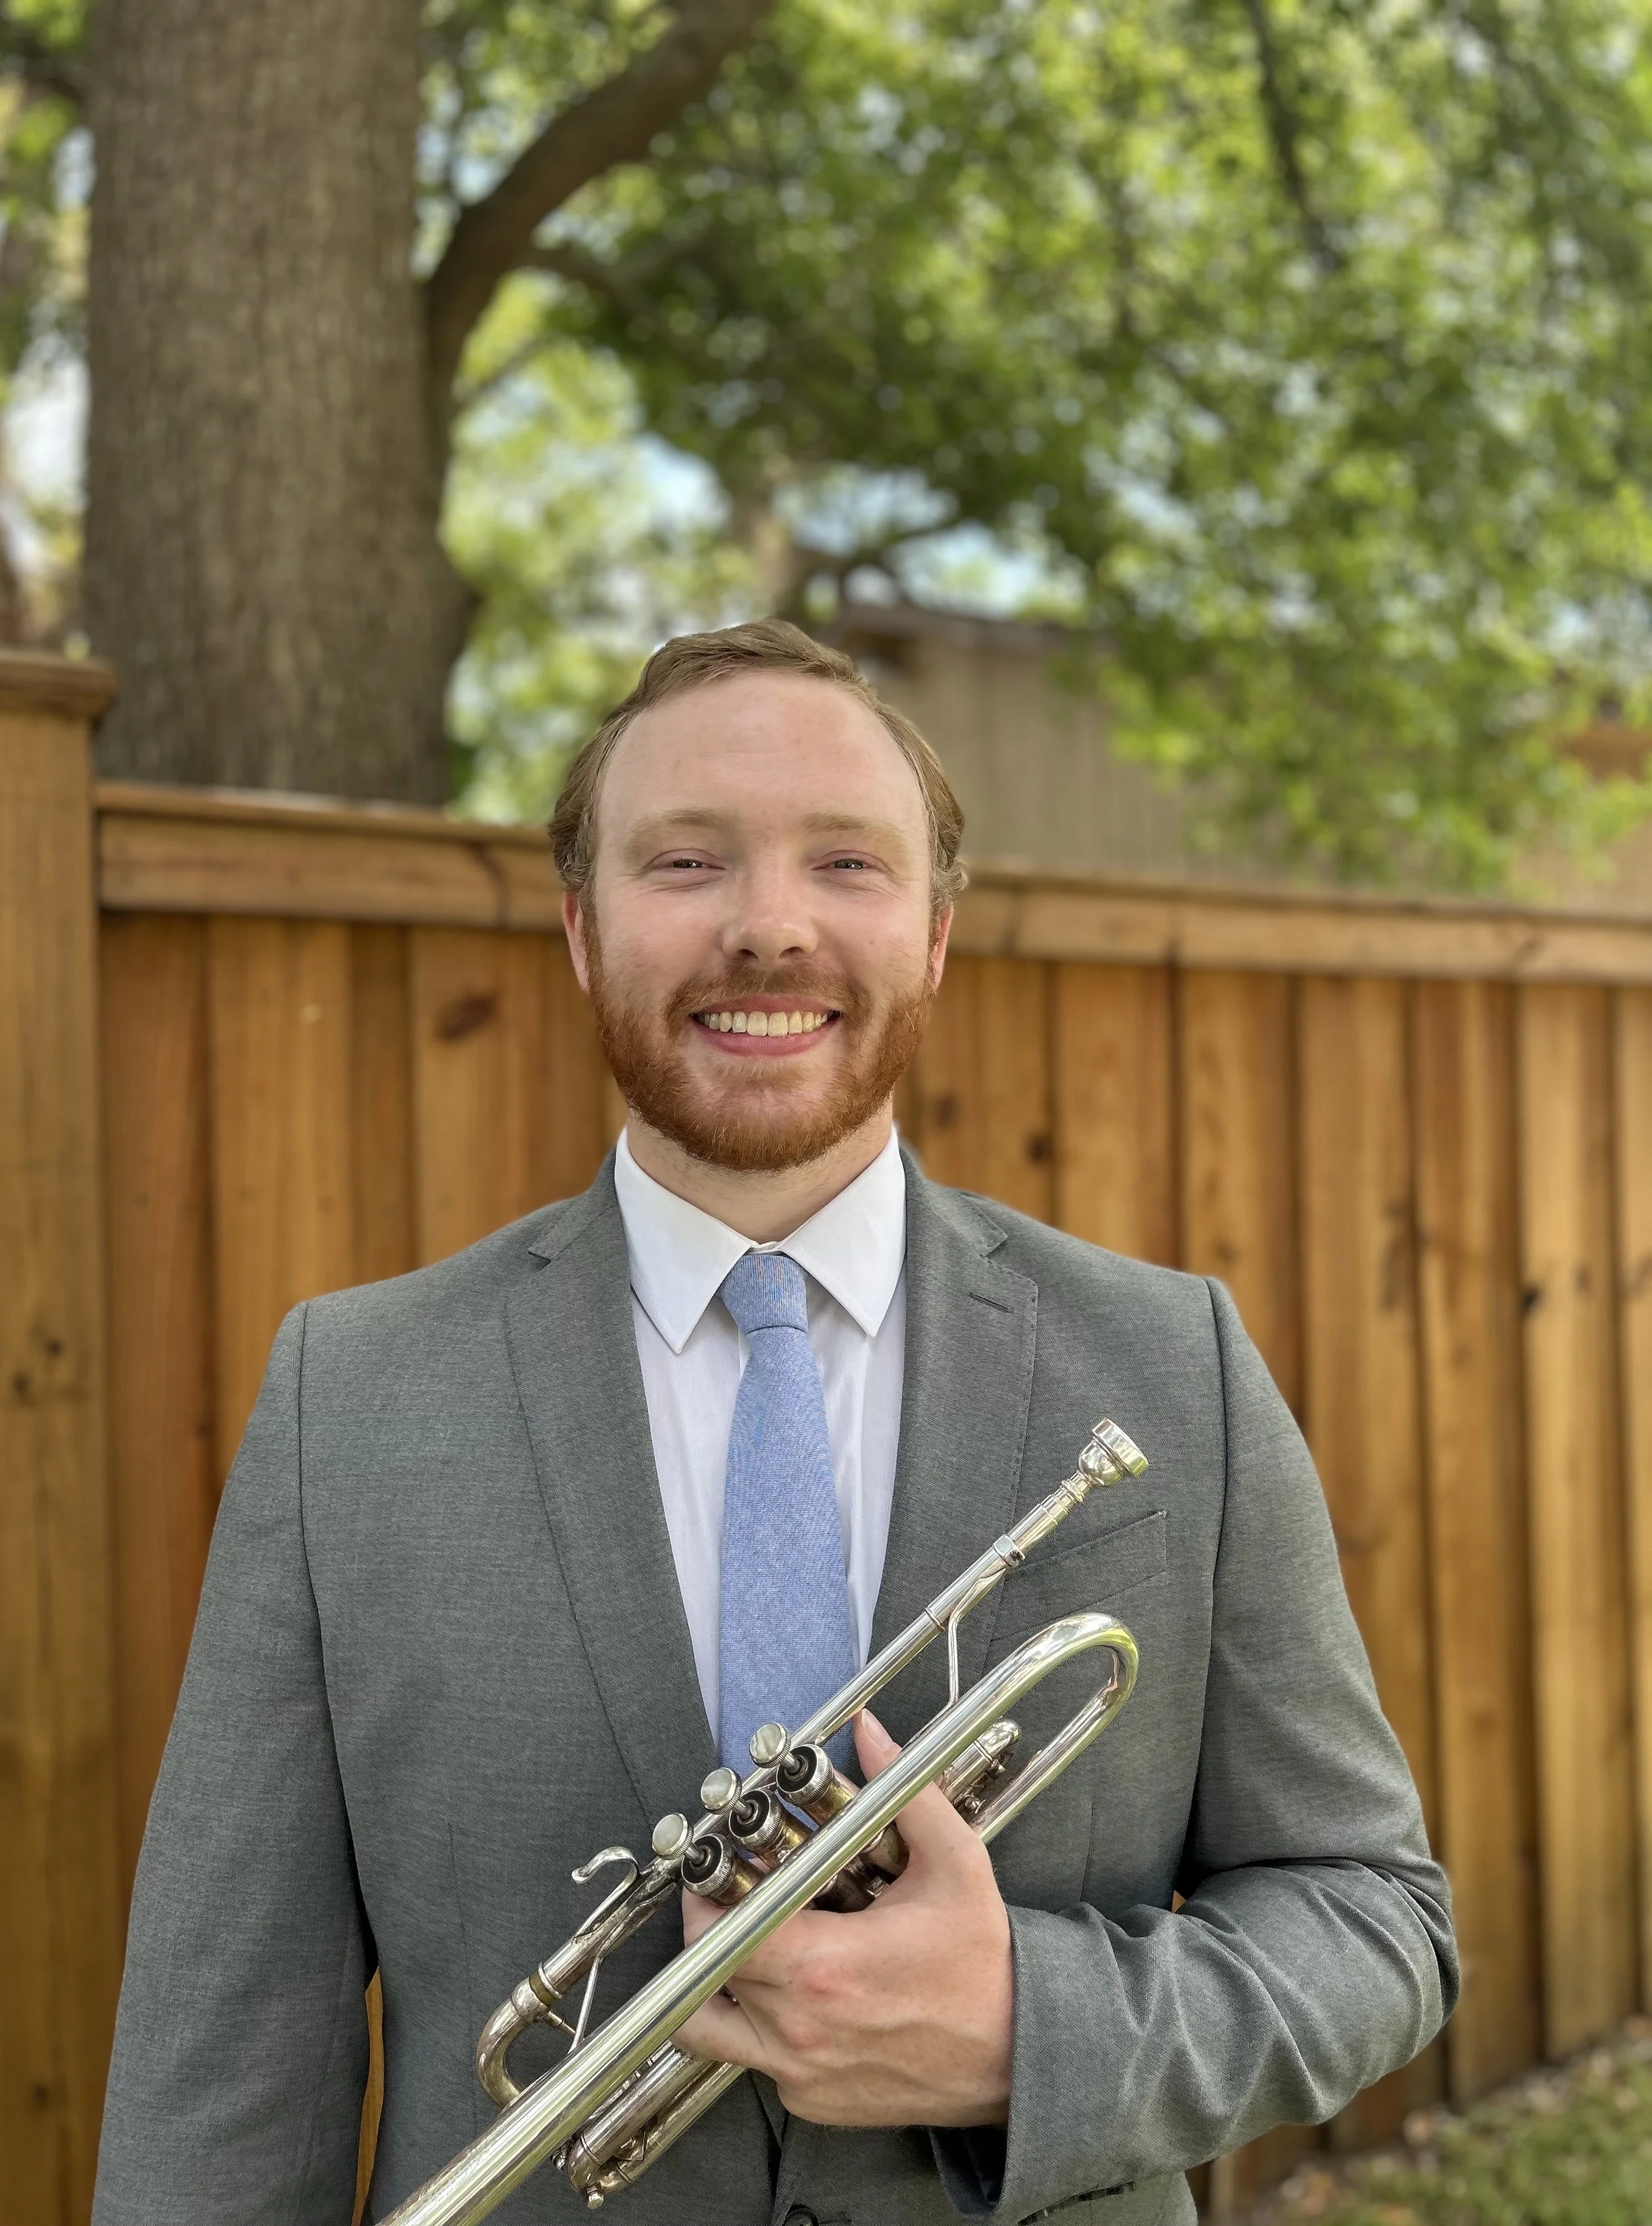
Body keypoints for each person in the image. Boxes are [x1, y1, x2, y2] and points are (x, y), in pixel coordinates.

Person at [93, 620, 1456, 2226]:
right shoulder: (352, 1400)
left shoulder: (1168, 1367)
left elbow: (1370, 1923)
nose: (767, 926)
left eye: (844, 864)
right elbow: (220, 2069)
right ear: (583, 931)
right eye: (684, 861)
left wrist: (1029, 2030)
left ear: (935, 935)